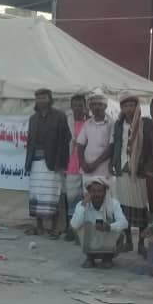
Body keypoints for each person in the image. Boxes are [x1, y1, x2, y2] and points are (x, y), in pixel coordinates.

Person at [24, 88, 71, 238]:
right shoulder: (33, 118)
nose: (41, 100)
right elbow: (30, 141)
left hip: (53, 162)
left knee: (53, 194)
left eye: (44, 97)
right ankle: (39, 226)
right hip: (35, 162)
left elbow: (66, 139)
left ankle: (55, 228)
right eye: (38, 98)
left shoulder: (59, 116)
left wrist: (61, 163)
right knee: (37, 194)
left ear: (50, 99)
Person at [111, 93, 150, 249]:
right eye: (126, 106)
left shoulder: (145, 123)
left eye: (131, 105)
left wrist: (137, 163)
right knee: (123, 205)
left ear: (137, 106)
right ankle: (127, 240)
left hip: (138, 171)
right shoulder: (118, 124)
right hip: (122, 169)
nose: (129, 109)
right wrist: (115, 164)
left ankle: (140, 242)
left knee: (140, 204)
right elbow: (116, 145)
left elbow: (147, 146)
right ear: (122, 108)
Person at [69, 176, 128, 268]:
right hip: (91, 240)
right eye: (93, 191)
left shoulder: (113, 203)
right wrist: (83, 204)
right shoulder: (82, 205)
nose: (96, 194)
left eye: (100, 191)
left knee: (119, 231)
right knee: (81, 228)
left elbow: (124, 223)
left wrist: (109, 227)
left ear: (105, 192)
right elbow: (74, 225)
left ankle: (107, 258)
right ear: (89, 192)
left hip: (107, 238)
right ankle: (90, 257)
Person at [63, 93, 89, 239]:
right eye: (75, 105)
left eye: (80, 105)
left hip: (88, 164)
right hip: (71, 163)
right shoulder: (67, 121)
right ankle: (71, 229)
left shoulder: (90, 121)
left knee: (86, 196)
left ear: (85, 106)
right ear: (71, 106)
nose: (78, 108)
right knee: (72, 197)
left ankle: (84, 229)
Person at [74, 90, 113, 185]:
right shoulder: (87, 123)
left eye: (100, 104)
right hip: (87, 169)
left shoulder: (112, 123)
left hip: (104, 169)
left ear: (105, 106)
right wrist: (82, 163)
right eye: (94, 105)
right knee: (87, 192)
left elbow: (111, 147)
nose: (97, 107)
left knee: (103, 192)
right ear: (90, 107)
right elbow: (80, 145)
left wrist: (95, 164)